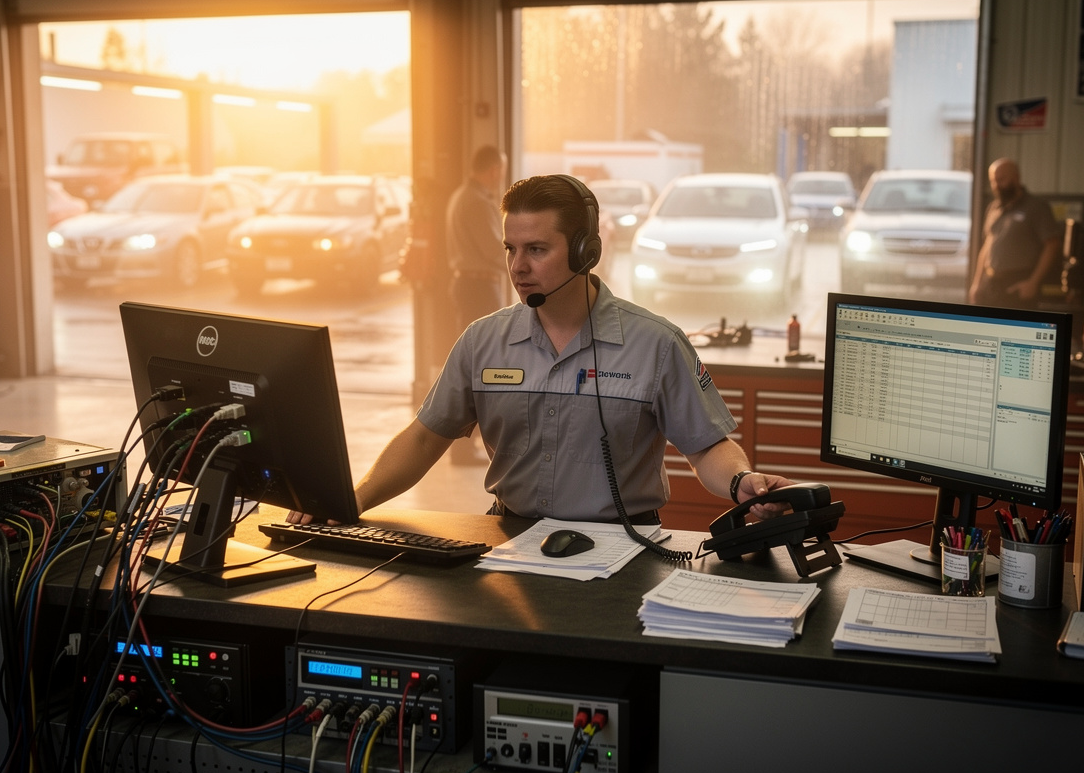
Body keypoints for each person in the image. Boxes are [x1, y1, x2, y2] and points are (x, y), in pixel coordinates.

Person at [290, 174, 790, 526]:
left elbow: (707, 447)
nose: (518, 266)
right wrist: (349, 503)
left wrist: (741, 481)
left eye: (536, 249)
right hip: (508, 538)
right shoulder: (483, 340)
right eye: (510, 249)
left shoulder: (656, 344)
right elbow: (424, 440)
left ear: (584, 252)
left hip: (623, 546)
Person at [445, 144, 507, 464]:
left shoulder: (460, 196)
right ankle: (465, 447)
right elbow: (495, 251)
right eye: (502, 170)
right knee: (484, 369)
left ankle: (464, 446)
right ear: (494, 169)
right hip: (479, 286)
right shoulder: (478, 203)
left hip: (467, 284)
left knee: (473, 367)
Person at [969, 157, 1062, 309]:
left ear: (1016, 178)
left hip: (1017, 283)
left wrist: (1033, 282)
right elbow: (988, 245)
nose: (997, 185)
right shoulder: (993, 208)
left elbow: (1052, 245)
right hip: (991, 283)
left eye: (1002, 179)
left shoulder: (1036, 207)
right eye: (993, 181)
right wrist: (977, 283)